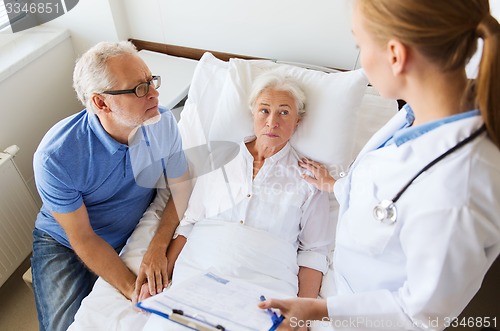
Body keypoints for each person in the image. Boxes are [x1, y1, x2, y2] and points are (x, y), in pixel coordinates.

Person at [260, 1, 500, 330]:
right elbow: (386, 196)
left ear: (395, 55)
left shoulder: (457, 190)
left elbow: (421, 314)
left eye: (360, 45)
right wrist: (335, 185)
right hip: (342, 289)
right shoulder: (419, 113)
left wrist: (318, 310)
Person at [136, 72, 334, 308]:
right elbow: (190, 222)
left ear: (297, 121)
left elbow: (313, 251)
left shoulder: (311, 178)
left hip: (266, 288)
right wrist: (159, 280)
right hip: (198, 273)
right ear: (253, 114)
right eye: (264, 110)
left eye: (284, 112)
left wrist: (302, 312)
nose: (272, 121)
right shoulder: (218, 158)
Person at [31, 41, 190, 331]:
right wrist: (132, 289)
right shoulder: (56, 157)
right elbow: (83, 238)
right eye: (139, 88)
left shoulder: (162, 122)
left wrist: (158, 244)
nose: (154, 94)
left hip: (129, 229)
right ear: (101, 103)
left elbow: (181, 187)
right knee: (64, 326)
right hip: (66, 241)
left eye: (151, 81)